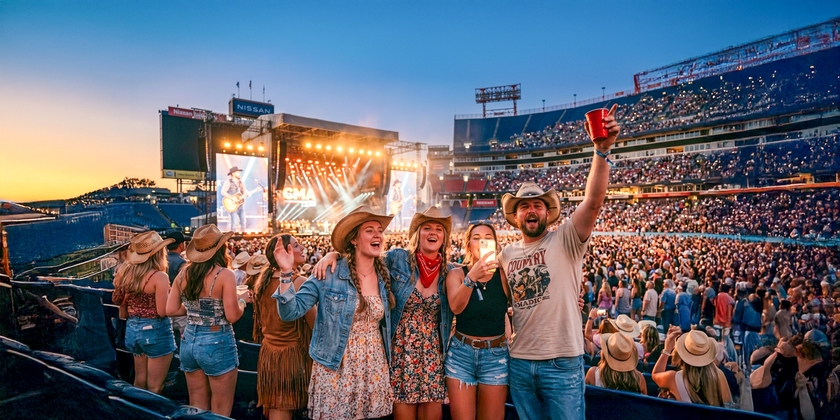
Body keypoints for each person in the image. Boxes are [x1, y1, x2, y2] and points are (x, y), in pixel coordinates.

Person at [498, 104, 619, 420]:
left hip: (562, 361)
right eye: (524, 207)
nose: (531, 210)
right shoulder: (506, 255)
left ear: (548, 213)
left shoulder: (566, 238)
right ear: (516, 216)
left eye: (537, 204)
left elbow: (593, 203)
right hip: (520, 361)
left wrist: (601, 152)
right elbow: (502, 303)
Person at [315, 207, 455, 420]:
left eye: (439, 229)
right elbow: (363, 258)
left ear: (445, 238)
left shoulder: (451, 272)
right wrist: (332, 255)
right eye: (426, 228)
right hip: (399, 354)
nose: (433, 232)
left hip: (432, 358)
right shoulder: (397, 259)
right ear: (417, 233)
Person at [274, 206, 395, 419]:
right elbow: (290, 312)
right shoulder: (328, 272)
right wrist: (286, 273)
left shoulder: (387, 271)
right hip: (335, 366)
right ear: (354, 239)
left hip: (373, 367)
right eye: (369, 230)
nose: (378, 234)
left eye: (379, 230)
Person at [165, 224, 250, 416]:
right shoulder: (224, 274)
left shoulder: (183, 273)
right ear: (221, 248)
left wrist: (194, 310)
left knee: (197, 407)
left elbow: (170, 309)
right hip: (216, 340)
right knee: (220, 409)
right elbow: (232, 315)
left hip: (189, 341)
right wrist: (243, 301)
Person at [445, 222, 510, 420]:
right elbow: (456, 307)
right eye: (477, 237)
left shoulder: (504, 275)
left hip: (495, 356)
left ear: (496, 245)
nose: (482, 241)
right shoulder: (457, 274)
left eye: (488, 237)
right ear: (468, 245)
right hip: (461, 355)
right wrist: (471, 278)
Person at [251, 235, 314, 420]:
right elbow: (315, 323)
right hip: (290, 357)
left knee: (275, 407)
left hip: (269, 354)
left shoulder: (263, 280)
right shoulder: (299, 281)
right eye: (296, 245)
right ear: (283, 253)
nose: (302, 247)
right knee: (283, 408)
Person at [112, 231, 176, 394]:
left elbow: (123, 309)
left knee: (139, 381)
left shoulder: (127, 274)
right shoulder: (159, 277)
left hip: (133, 330)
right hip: (155, 331)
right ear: (159, 253)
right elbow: (162, 312)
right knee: (155, 386)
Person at [652, 327, 732, 407]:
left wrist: (667, 349)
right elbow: (728, 408)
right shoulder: (719, 375)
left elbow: (656, 374)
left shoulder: (673, 378)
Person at [164, 231, 189, 340]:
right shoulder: (182, 263)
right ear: (181, 245)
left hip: (163, 302)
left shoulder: (161, 261)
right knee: (182, 335)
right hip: (178, 303)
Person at [221, 166, 262, 232]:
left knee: (243, 222)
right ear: (233, 173)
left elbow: (245, 193)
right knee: (234, 222)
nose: (239, 173)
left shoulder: (241, 183)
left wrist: (254, 191)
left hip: (241, 205)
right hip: (232, 205)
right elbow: (223, 192)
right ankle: (232, 237)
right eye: (238, 172)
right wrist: (233, 199)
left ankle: (243, 236)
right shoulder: (228, 182)